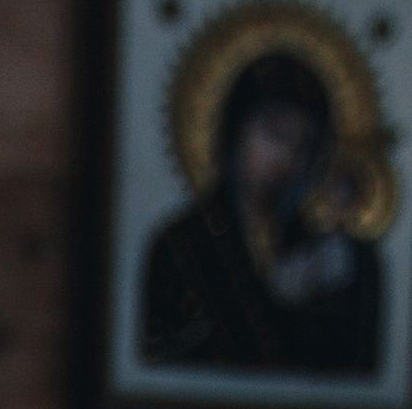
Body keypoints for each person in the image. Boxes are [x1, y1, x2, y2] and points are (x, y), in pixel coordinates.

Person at [141, 50, 385, 382]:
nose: (286, 159)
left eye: (303, 146)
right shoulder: (181, 244)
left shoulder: (320, 252)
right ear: (235, 130)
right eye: (274, 133)